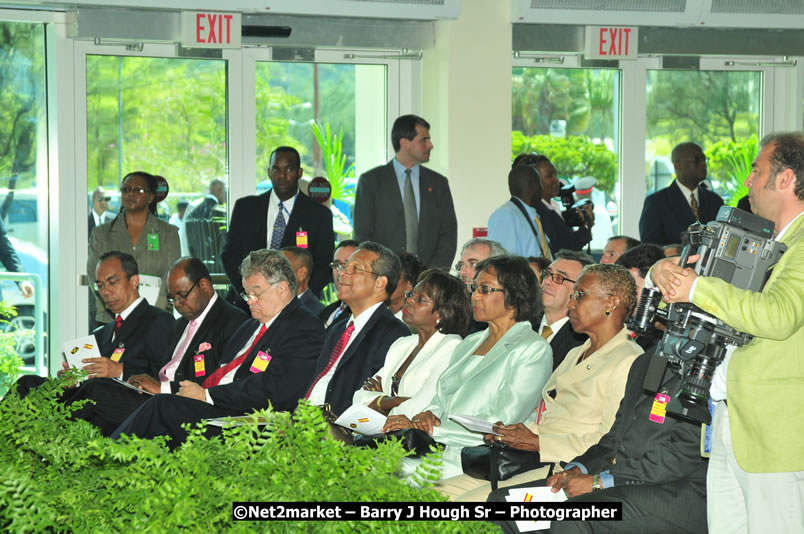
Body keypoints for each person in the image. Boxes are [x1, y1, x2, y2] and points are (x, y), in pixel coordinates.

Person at [650, 132, 804, 534]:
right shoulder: (764, 239)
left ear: (785, 178)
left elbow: (779, 315)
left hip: (774, 434)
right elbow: (715, 299)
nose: (748, 181)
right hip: (729, 418)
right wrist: (663, 271)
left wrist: (697, 288)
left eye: (756, 171)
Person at [440, 263, 642, 501]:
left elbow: (609, 442)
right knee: (430, 494)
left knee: (464, 506)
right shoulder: (577, 352)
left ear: (611, 303)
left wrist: (537, 442)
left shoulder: (628, 360)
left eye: (579, 295)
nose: (571, 304)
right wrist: (514, 433)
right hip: (536, 460)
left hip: (572, 470)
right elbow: (551, 416)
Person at [112, 249, 325, 446]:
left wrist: (208, 396)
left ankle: (109, 455)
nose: (250, 302)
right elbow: (216, 374)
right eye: (246, 294)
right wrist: (184, 391)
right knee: (134, 399)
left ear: (283, 288)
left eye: (256, 294)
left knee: (162, 407)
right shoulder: (249, 326)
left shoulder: (303, 326)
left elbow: (275, 389)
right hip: (217, 406)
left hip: (248, 421)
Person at [488, 350, 709, 534]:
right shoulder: (647, 359)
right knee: (503, 504)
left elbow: (679, 457)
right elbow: (615, 438)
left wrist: (598, 482)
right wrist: (577, 470)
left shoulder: (707, 369)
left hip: (674, 496)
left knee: (573, 515)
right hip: (621, 478)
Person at [383, 255, 552, 480]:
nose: (475, 296)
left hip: (474, 459)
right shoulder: (470, 343)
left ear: (514, 295)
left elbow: (501, 424)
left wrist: (432, 428)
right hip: (437, 448)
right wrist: (427, 416)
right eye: (474, 288)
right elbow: (440, 399)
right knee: (368, 468)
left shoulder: (532, 349)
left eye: (485, 290)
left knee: (387, 480)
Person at [66, 257, 248, 435]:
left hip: (184, 406)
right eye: (172, 298)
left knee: (96, 393)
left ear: (204, 286)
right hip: (154, 397)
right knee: (83, 391)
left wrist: (162, 388)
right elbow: (158, 370)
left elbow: (220, 383)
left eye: (182, 295)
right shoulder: (180, 324)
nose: (177, 304)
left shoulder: (233, 321)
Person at [13, 251, 174, 397]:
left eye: (112, 282)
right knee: (26, 383)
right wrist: (73, 381)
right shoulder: (101, 333)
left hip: (129, 401)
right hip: (94, 398)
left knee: (95, 389)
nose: (105, 292)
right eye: (100, 285)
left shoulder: (158, 320)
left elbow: (165, 377)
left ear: (134, 281)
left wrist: (120, 371)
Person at [304, 241, 410, 416]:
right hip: (304, 420)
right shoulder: (337, 330)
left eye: (355, 269)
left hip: (338, 425)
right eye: (343, 267)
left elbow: (373, 400)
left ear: (379, 283)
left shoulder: (393, 335)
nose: (342, 273)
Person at [221, 147, 334, 309]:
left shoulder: (319, 215)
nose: (282, 175)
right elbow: (230, 256)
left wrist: (295, 300)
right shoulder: (245, 208)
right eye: (276, 169)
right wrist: (249, 295)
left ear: (299, 173)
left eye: (289, 169)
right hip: (247, 305)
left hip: (295, 308)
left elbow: (324, 264)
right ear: (269, 172)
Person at [351, 269, 471, 418]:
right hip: (382, 430)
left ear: (443, 312)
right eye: (410, 294)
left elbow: (421, 409)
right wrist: (391, 401)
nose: (409, 300)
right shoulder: (402, 344)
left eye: (420, 299)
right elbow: (359, 398)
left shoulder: (451, 347)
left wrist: (380, 403)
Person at [353, 115, 457, 270]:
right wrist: (380, 272)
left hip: (427, 276)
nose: (430, 145)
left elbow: (448, 233)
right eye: (424, 140)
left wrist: (432, 274)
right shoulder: (371, 181)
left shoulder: (438, 183)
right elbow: (363, 235)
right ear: (404, 143)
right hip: (384, 276)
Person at [88, 171, 181, 324]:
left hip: (156, 318)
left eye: (138, 189)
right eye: (126, 189)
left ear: (151, 197)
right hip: (112, 318)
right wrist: (113, 304)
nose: (130, 193)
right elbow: (93, 273)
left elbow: (171, 275)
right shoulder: (101, 233)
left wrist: (153, 310)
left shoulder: (168, 233)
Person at [639, 141, 724, 246]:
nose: (703, 164)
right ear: (677, 165)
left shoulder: (715, 201)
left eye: (704, 159)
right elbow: (649, 248)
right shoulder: (656, 203)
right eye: (696, 160)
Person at [515, 153, 594, 254]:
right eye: (549, 176)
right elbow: (563, 249)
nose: (556, 180)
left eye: (555, 175)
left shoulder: (552, 206)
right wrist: (586, 226)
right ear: (533, 181)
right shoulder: (537, 212)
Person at [537, 250, 592, 371]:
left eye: (559, 278)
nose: (547, 281)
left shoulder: (583, 342)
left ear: (579, 292)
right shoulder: (522, 323)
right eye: (547, 274)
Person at [487, 165, 550, 258]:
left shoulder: (532, 215)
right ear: (533, 185)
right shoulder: (505, 215)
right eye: (540, 183)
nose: (542, 188)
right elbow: (501, 261)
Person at [453, 238, 508, 335]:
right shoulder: (455, 305)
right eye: (461, 265)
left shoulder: (508, 312)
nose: (463, 272)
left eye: (473, 264)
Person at [184, 179, 226, 271]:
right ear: (220, 191)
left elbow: (190, 246)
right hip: (219, 271)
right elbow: (224, 244)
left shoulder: (192, 214)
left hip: (198, 269)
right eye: (225, 192)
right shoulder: (220, 213)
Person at [319, 239, 360, 328]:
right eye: (337, 265)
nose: (341, 272)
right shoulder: (325, 312)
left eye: (347, 265)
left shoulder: (363, 316)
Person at [280, 246, 324, 317]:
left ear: (301, 274)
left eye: (281, 269)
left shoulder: (315, 312)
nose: (272, 275)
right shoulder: (269, 304)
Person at [387, 252, 426, 319]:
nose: (385, 281)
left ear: (409, 285)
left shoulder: (409, 321)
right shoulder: (375, 310)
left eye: (393, 277)